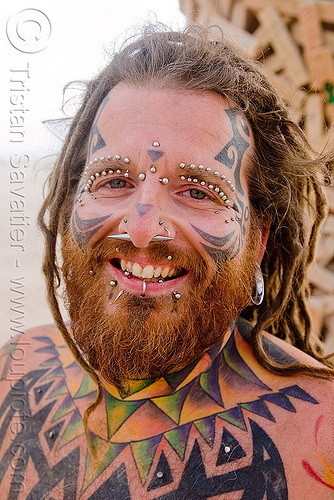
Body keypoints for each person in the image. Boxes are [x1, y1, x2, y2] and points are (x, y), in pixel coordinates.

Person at [1, 24, 334, 499]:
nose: (140, 227)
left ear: (259, 242)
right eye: (113, 179)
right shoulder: (16, 373)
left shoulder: (322, 439)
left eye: (199, 191)